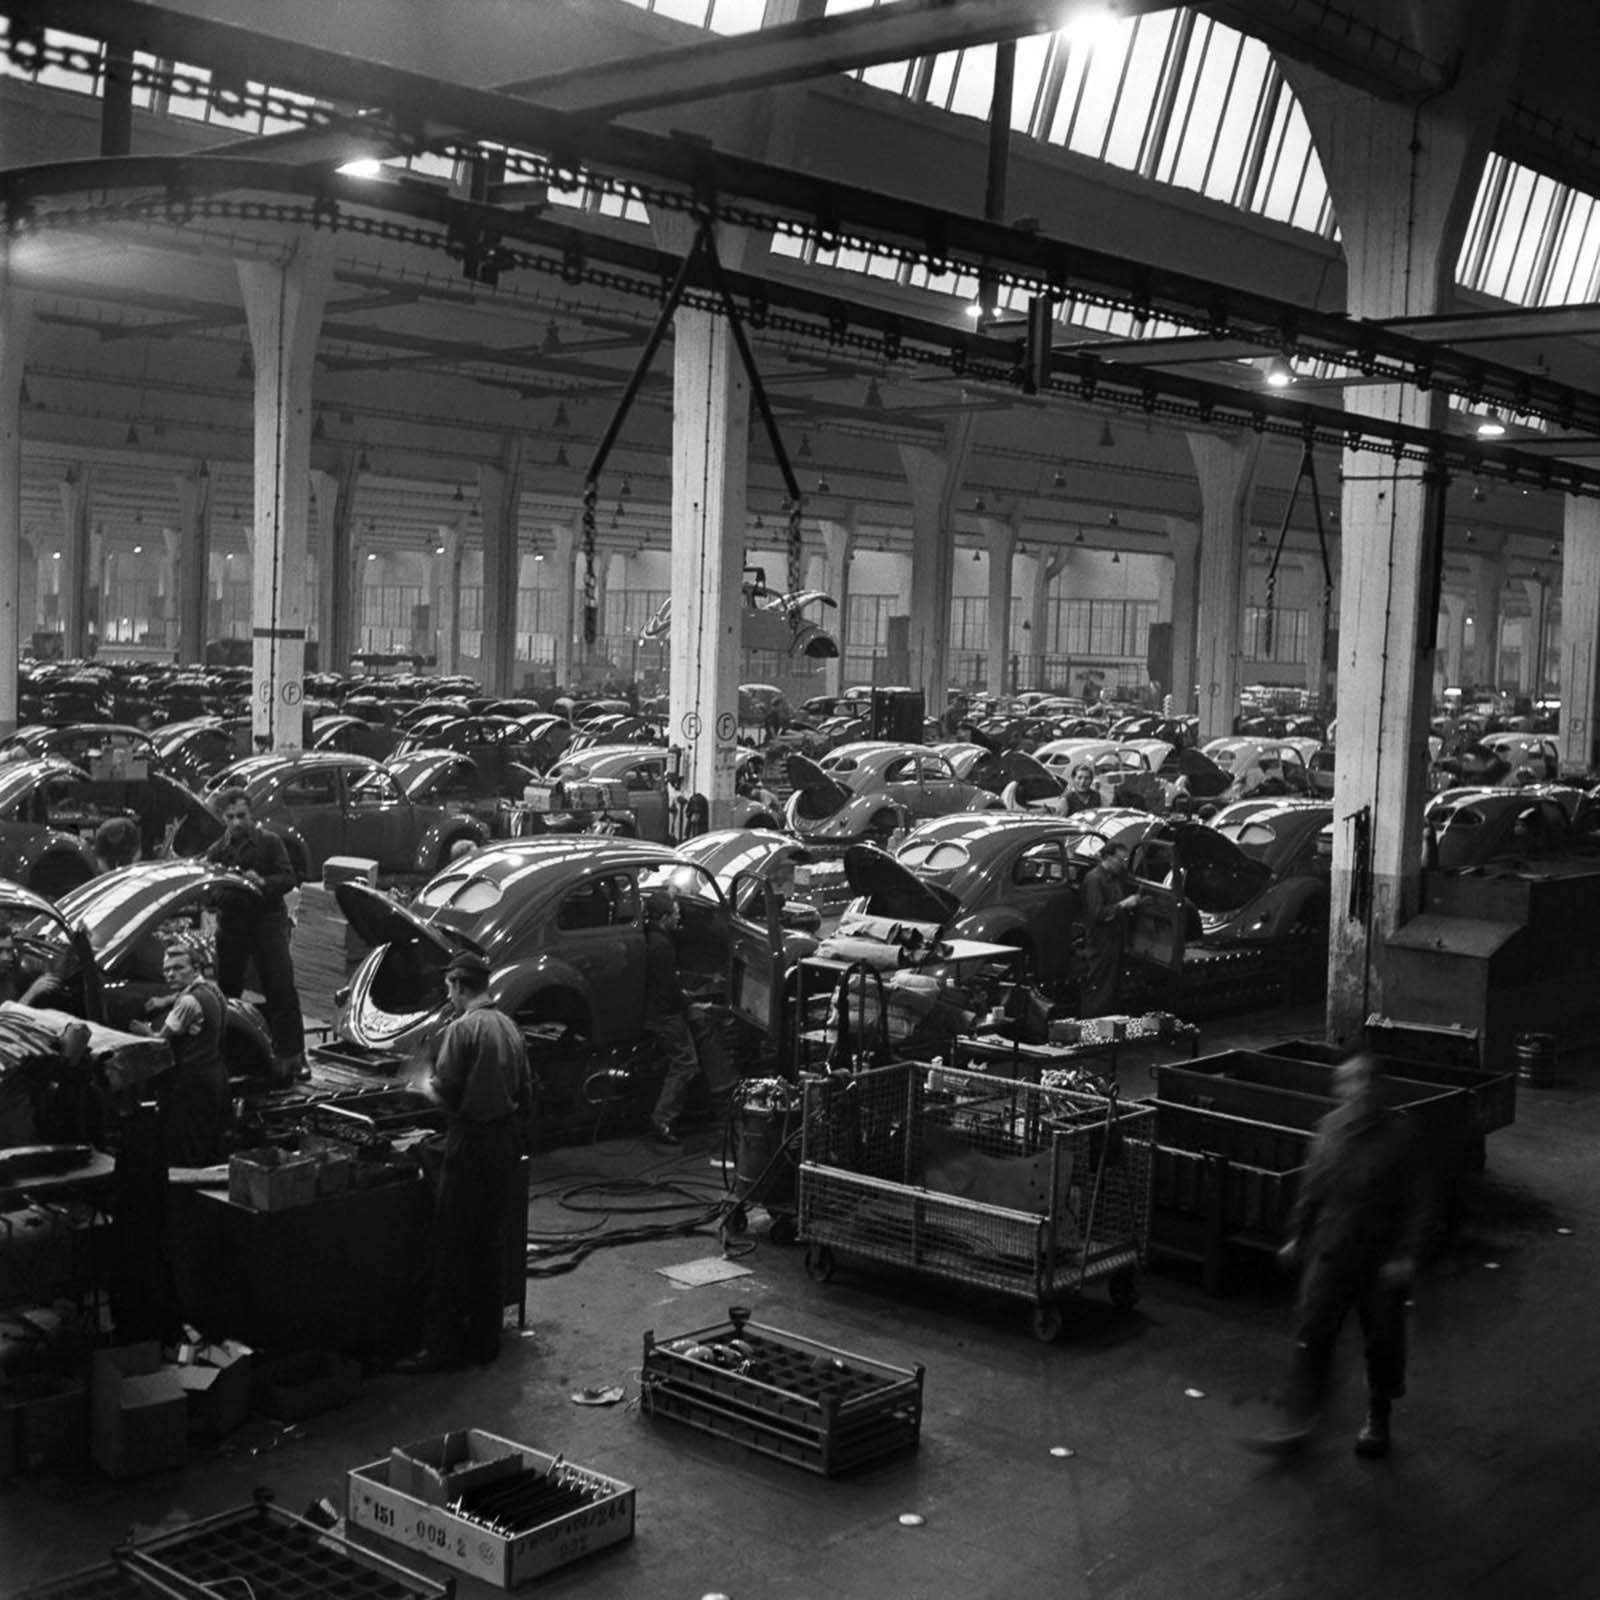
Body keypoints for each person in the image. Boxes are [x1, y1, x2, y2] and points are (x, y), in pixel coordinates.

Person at [1246, 1051, 1431, 1459]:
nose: (1359, 1087)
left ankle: (1378, 1417)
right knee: (1312, 1332)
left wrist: (1407, 1255)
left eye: (1367, 1079)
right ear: (1341, 1088)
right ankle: (1299, 1415)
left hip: (1380, 1259)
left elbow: (1419, 1200)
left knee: (1382, 1340)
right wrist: (1298, 1234)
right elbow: (1313, 1187)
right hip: (1331, 1250)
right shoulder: (1329, 1130)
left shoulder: (1401, 1134)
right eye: (1352, 1081)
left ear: (1379, 1086)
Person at [397, 950, 532, 1374]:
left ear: (457, 985)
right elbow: (526, 1091)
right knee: (489, 1243)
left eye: (449, 988)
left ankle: (439, 1348)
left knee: (452, 1246)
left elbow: (450, 1092)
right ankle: (485, 1341)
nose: (448, 995)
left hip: (472, 1144)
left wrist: (423, 1086)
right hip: (503, 1142)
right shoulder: (509, 1026)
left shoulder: (464, 1029)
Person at [204, 787, 305, 1079]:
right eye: (231, 817)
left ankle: (294, 1056)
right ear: (223, 818)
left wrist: (261, 882)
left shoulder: (270, 843)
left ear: (252, 814)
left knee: (281, 989)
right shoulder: (217, 851)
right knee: (227, 993)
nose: (237, 822)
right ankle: (228, 1057)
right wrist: (234, 887)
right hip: (233, 929)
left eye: (242, 816)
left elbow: (287, 878)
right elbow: (210, 896)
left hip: (268, 925)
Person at [644, 890, 732, 1145]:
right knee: (686, 1063)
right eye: (675, 913)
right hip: (665, 1015)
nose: (679, 918)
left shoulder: (655, 937)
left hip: (662, 1009)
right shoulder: (661, 946)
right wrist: (693, 1002)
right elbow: (669, 990)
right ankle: (662, 1119)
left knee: (701, 1023)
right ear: (664, 918)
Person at [146, 942, 228, 1168]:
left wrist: (144, 1033)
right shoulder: (213, 990)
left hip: (189, 1083)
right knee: (206, 1142)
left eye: (178, 968)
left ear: (195, 968)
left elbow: (159, 1041)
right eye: (167, 970)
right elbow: (184, 995)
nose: (170, 974)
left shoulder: (188, 1002)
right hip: (215, 1077)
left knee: (184, 1148)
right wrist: (165, 1000)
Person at [1079, 840, 1142, 1016]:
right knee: (1100, 986)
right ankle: (1091, 1024)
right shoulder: (1094, 880)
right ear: (1108, 857)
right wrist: (1123, 904)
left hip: (1115, 940)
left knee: (1111, 987)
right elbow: (1098, 913)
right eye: (1120, 860)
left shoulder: (1115, 878)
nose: (1123, 864)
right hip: (1101, 942)